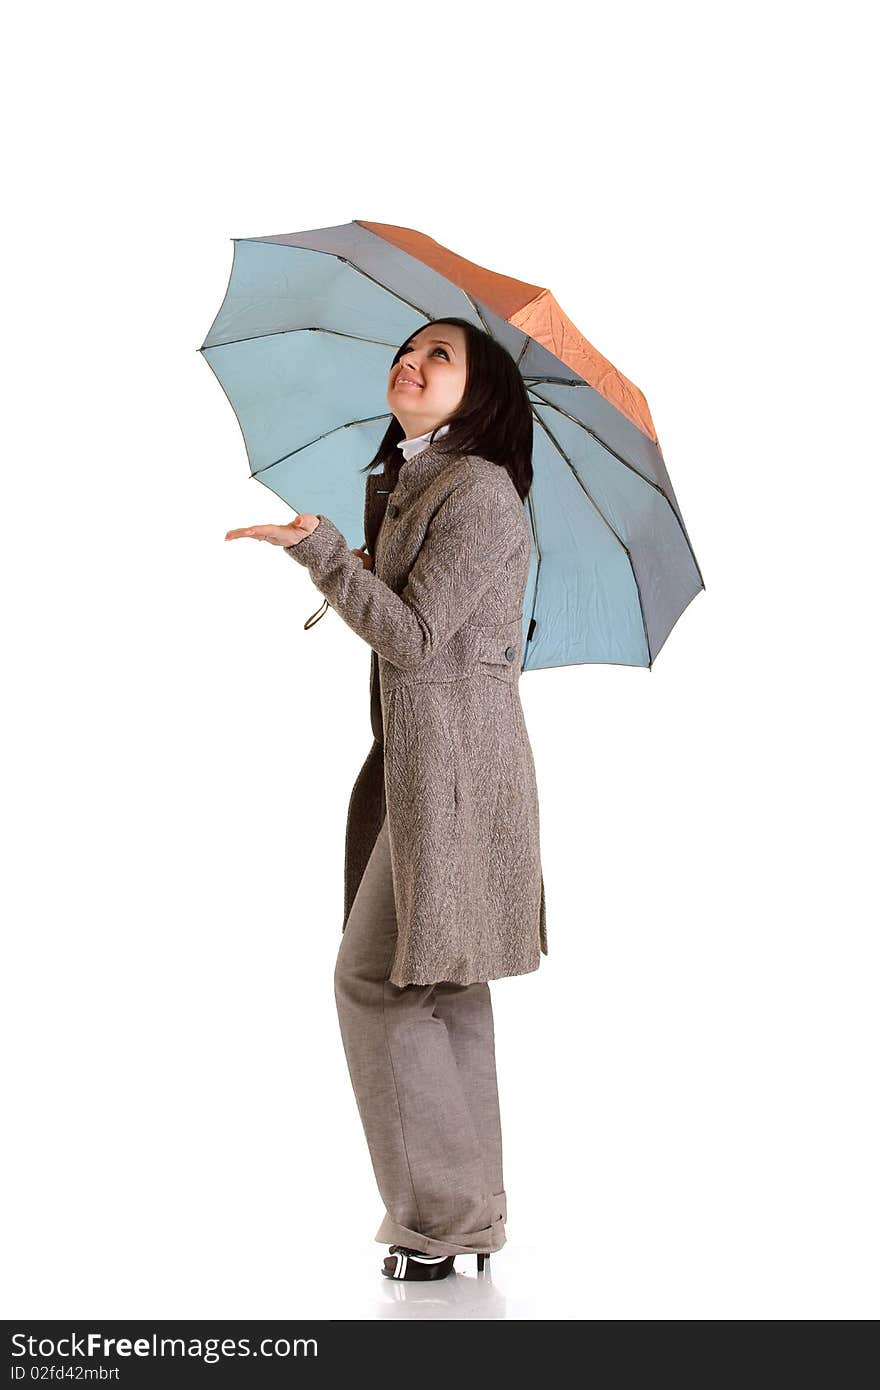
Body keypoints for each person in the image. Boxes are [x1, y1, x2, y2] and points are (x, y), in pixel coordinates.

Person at [226, 318, 547, 1282]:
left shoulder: (478, 490)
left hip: (454, 774)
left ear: (479, 389)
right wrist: (354, 558)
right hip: (440, 764)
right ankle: (470, 1220)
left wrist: (321, 552)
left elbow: (411, 643)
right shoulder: (417, 485)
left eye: (440, 354)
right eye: (408, 347)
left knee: (378, 980)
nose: (413, 359)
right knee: (444, 988)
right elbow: (422, 623)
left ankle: (439, 1225)